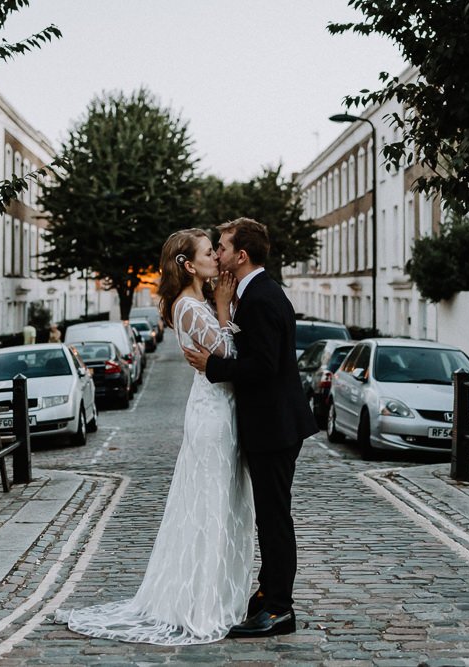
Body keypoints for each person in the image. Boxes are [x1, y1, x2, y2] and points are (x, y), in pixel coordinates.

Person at [54, 228, 255, 645]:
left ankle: (217, 594)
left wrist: (220, 305)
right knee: (210, 503)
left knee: (222, 501)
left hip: (221, 409)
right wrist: (222, 308)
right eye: (207, 252)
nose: (216, 258)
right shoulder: (189, 307)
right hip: (212, 415)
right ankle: (202, 604)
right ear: (187, 264)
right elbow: (227, 352)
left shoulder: (197, 302)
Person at [184, 217, 318, 638]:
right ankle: (268, 592)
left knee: (274, 519)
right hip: (272, 424)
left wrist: (213, 366)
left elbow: (262, 366)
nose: (218, 254)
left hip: (274, 427)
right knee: (268, 517)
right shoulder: (255, 292)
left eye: (221, 247)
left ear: (241, 255)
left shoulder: (260, 297)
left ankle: (279, 608)